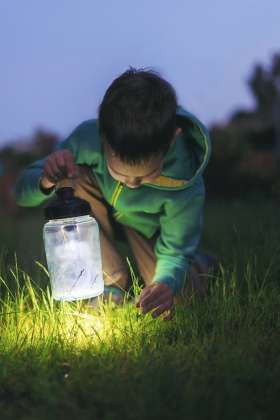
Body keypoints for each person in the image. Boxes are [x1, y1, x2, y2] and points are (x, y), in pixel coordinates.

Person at [14, 67, 214, 320]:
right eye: (119, 172)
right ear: (103, 137)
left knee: (175, 302)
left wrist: (166, 284)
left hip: (151, 232)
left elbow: (175, 250)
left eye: (144, 176)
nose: (132, 184)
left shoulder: (184, 180)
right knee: (71, 175)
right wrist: (46, 179)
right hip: (98, 213)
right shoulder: (86, 140)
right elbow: (21, 193)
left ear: (171, 140)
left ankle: (201, 263)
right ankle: (110, 284)